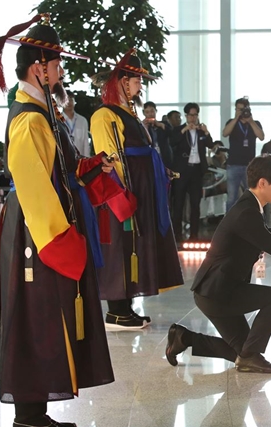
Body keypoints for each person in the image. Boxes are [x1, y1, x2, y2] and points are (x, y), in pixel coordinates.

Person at [0, 14, 118, 427]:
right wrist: (59, 240)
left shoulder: (42, 110)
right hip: (38, 232)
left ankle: (35, 416)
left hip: (40, 228)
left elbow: (61, 169)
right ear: (40, 67)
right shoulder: (29, 118)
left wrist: (92, 167)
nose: (61, 71)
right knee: (35, 318)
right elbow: (34, 183)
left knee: (45, 317)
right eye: (57, 64)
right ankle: (28, 419)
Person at [165, 155, 271, 373]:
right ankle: (248, 356)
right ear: (262, 183)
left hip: (219, 289)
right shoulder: (246, 213)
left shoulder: (251, 207)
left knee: (242, 352)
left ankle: (183, 337)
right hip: (216, 293)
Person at [90, 48, 184, 329]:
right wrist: (122, 192)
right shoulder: (105, 115)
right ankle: (116, 309)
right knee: (120, 245)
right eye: (136, 80)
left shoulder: (126, 113)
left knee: (134, 245)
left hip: (141, 189)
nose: (140, 86)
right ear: (121, 81)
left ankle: (126, 306)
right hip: (122, 191)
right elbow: (109, 156)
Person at [169, 102, 214, 241]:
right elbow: (172, 142)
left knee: (195, 204)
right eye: (190, 115)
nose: (193, 118)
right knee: (179, 204)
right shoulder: (179, 129)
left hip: (196, 171)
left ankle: (194, 235)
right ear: (186, 115)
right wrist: (184, 130)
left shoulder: (201, 131)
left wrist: (206, 132)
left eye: (195, 115)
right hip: (182, 170)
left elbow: (211, 145)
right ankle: (177, 235)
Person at [222, 97, 265, 211]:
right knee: (231, 198)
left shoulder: (255, 123)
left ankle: (251, 221)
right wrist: (236, 118)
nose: (242, 112)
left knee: (252, 197)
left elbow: (261, 136)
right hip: (233, 164)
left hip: (250, 166)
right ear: (235, 109)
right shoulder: (232, 122)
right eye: (239, 109)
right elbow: (225, 133)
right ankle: (229, 225)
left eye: (244, 109)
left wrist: (250, 121)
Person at [143, 101, 173, 169]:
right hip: (150, 158)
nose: (150, 114)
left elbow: (172, 134)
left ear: (156, 111)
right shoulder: (142, 126)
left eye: (152, 111)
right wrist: (144, 128)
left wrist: (160, 125)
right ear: (144, 113)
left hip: (164, 157)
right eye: (147, 112)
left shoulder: (163, 124)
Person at [62, 90, 90, 157]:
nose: (69, 102)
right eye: (66, 100)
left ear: (75, 102)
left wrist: (87, 160)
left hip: (80, 159)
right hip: (63, 159)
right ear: (61, 102)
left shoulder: (82, 120)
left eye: (71, 100)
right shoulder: (57, 120)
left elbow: (86, 143)